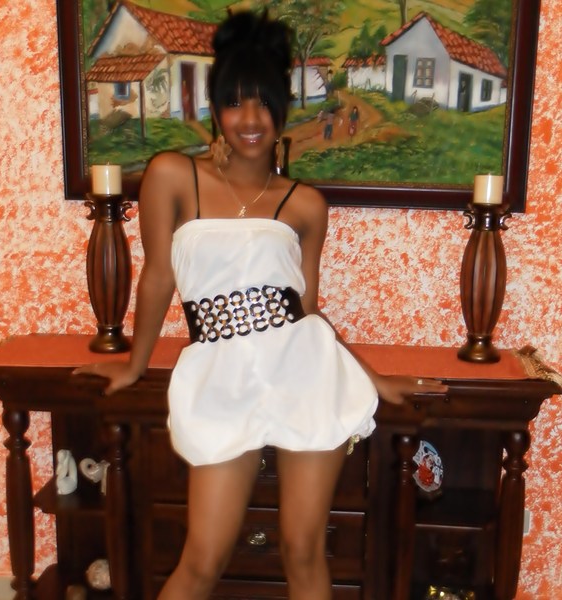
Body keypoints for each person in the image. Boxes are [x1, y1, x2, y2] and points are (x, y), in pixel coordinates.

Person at [73, 10, 447, 600]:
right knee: (202, 559)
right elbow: (158, 277)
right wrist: (135, 364)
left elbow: (308, 310)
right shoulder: (173, 175)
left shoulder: (305, 205)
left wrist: (374, 381)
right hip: (219, 373)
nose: (250, 119)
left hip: (303, 372)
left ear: (282, 110)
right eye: (234, 103)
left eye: (263, 104)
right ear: (215, 110)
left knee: (303, 551)